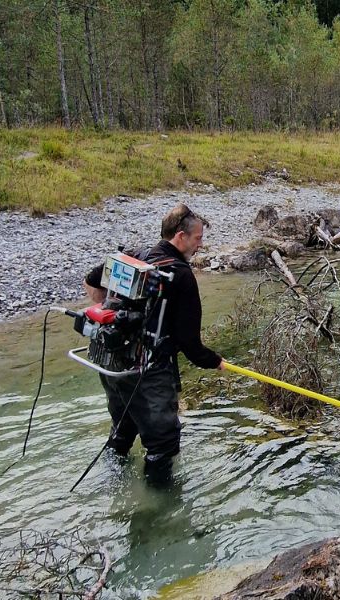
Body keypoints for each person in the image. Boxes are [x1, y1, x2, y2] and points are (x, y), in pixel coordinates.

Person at [84, 203, 223, 486]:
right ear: (181, 237)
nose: (201, 244)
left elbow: (91, 279)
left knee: (122, 431)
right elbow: (190, 344)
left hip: (112, 364)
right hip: (148, 373)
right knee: (163, 445)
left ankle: (112, 488)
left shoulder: (136, 256)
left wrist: (104, 311)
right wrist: (215, 361)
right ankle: (158, 515)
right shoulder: (180, 276)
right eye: (198, 238)